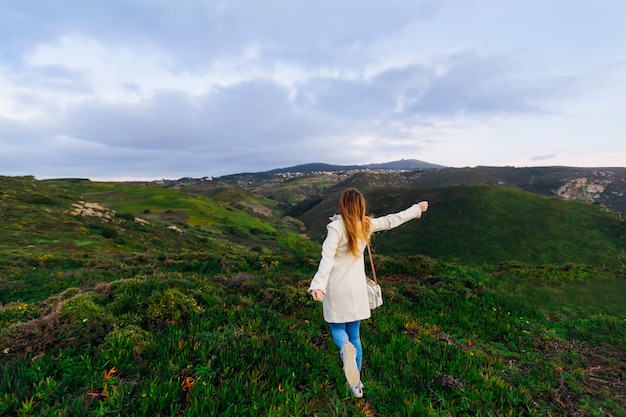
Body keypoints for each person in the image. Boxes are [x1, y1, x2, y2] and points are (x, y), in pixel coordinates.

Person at [308, 188, 429, 398]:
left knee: (338, 328)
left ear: (342, 205)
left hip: (336, 288)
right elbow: (393, 220)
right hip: (357, 290)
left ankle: (344, 347)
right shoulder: (366, 224)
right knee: (355, 335)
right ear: (361, 206)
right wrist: (416, 209)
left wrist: (318, 285)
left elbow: (326, 258)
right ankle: (357, 385)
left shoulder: (335, 228)